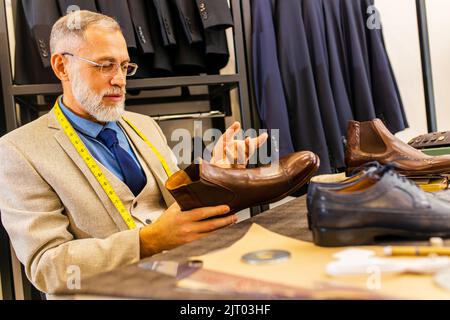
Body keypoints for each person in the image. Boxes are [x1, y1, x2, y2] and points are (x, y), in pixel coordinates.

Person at [0, 10, 267, 295]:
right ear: (61, 67)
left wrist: (215, 174)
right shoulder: (19, 151)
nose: (119, 79)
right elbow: (46, 267)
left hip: (183, 283)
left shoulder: (145, 126)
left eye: (125, 66)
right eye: (104, 65)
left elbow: (176, 203)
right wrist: (147, 241)